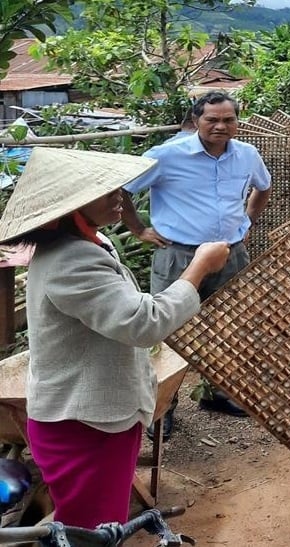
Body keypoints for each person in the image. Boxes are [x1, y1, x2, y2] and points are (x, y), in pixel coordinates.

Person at [0, 147, 231, 528]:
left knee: (95, 524)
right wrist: (199, 267)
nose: (120, 197)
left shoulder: (87, 245)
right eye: (106, 191)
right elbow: (143, 324)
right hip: (85, 427)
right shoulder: (73, 259)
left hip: (93, 420)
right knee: (93, 530)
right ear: (72, 205)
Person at [121, 90, 272, 436]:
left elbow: (263, 188)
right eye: (212, 119)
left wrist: (246, 222)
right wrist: (138, 229)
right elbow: (121, 190)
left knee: (228, 326)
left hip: (230, 255)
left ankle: (217, 393)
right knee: (168, 332)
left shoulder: (247, 155)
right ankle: (161, 407)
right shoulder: (166, 156)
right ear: (195, 121)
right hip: (179, 255)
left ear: (237, 121)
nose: (221, 126)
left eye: (228, 119)